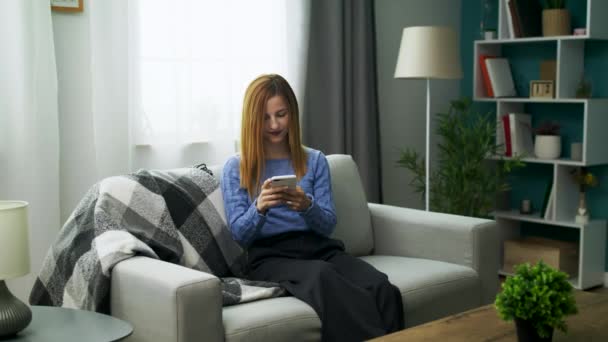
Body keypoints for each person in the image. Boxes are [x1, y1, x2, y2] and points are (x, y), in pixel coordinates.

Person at [220, 74, 404, 341]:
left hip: (319, 248)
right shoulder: (236, 167)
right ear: (252, 120)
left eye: (281, 114)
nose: (274, 124)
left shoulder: (315, 160)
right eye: (265, 117)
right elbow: (239, 234)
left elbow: (328, 223)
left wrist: (307, 205)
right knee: (323, 276)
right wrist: (258, 208)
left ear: (292, 114)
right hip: (269, 256)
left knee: (383, 287)